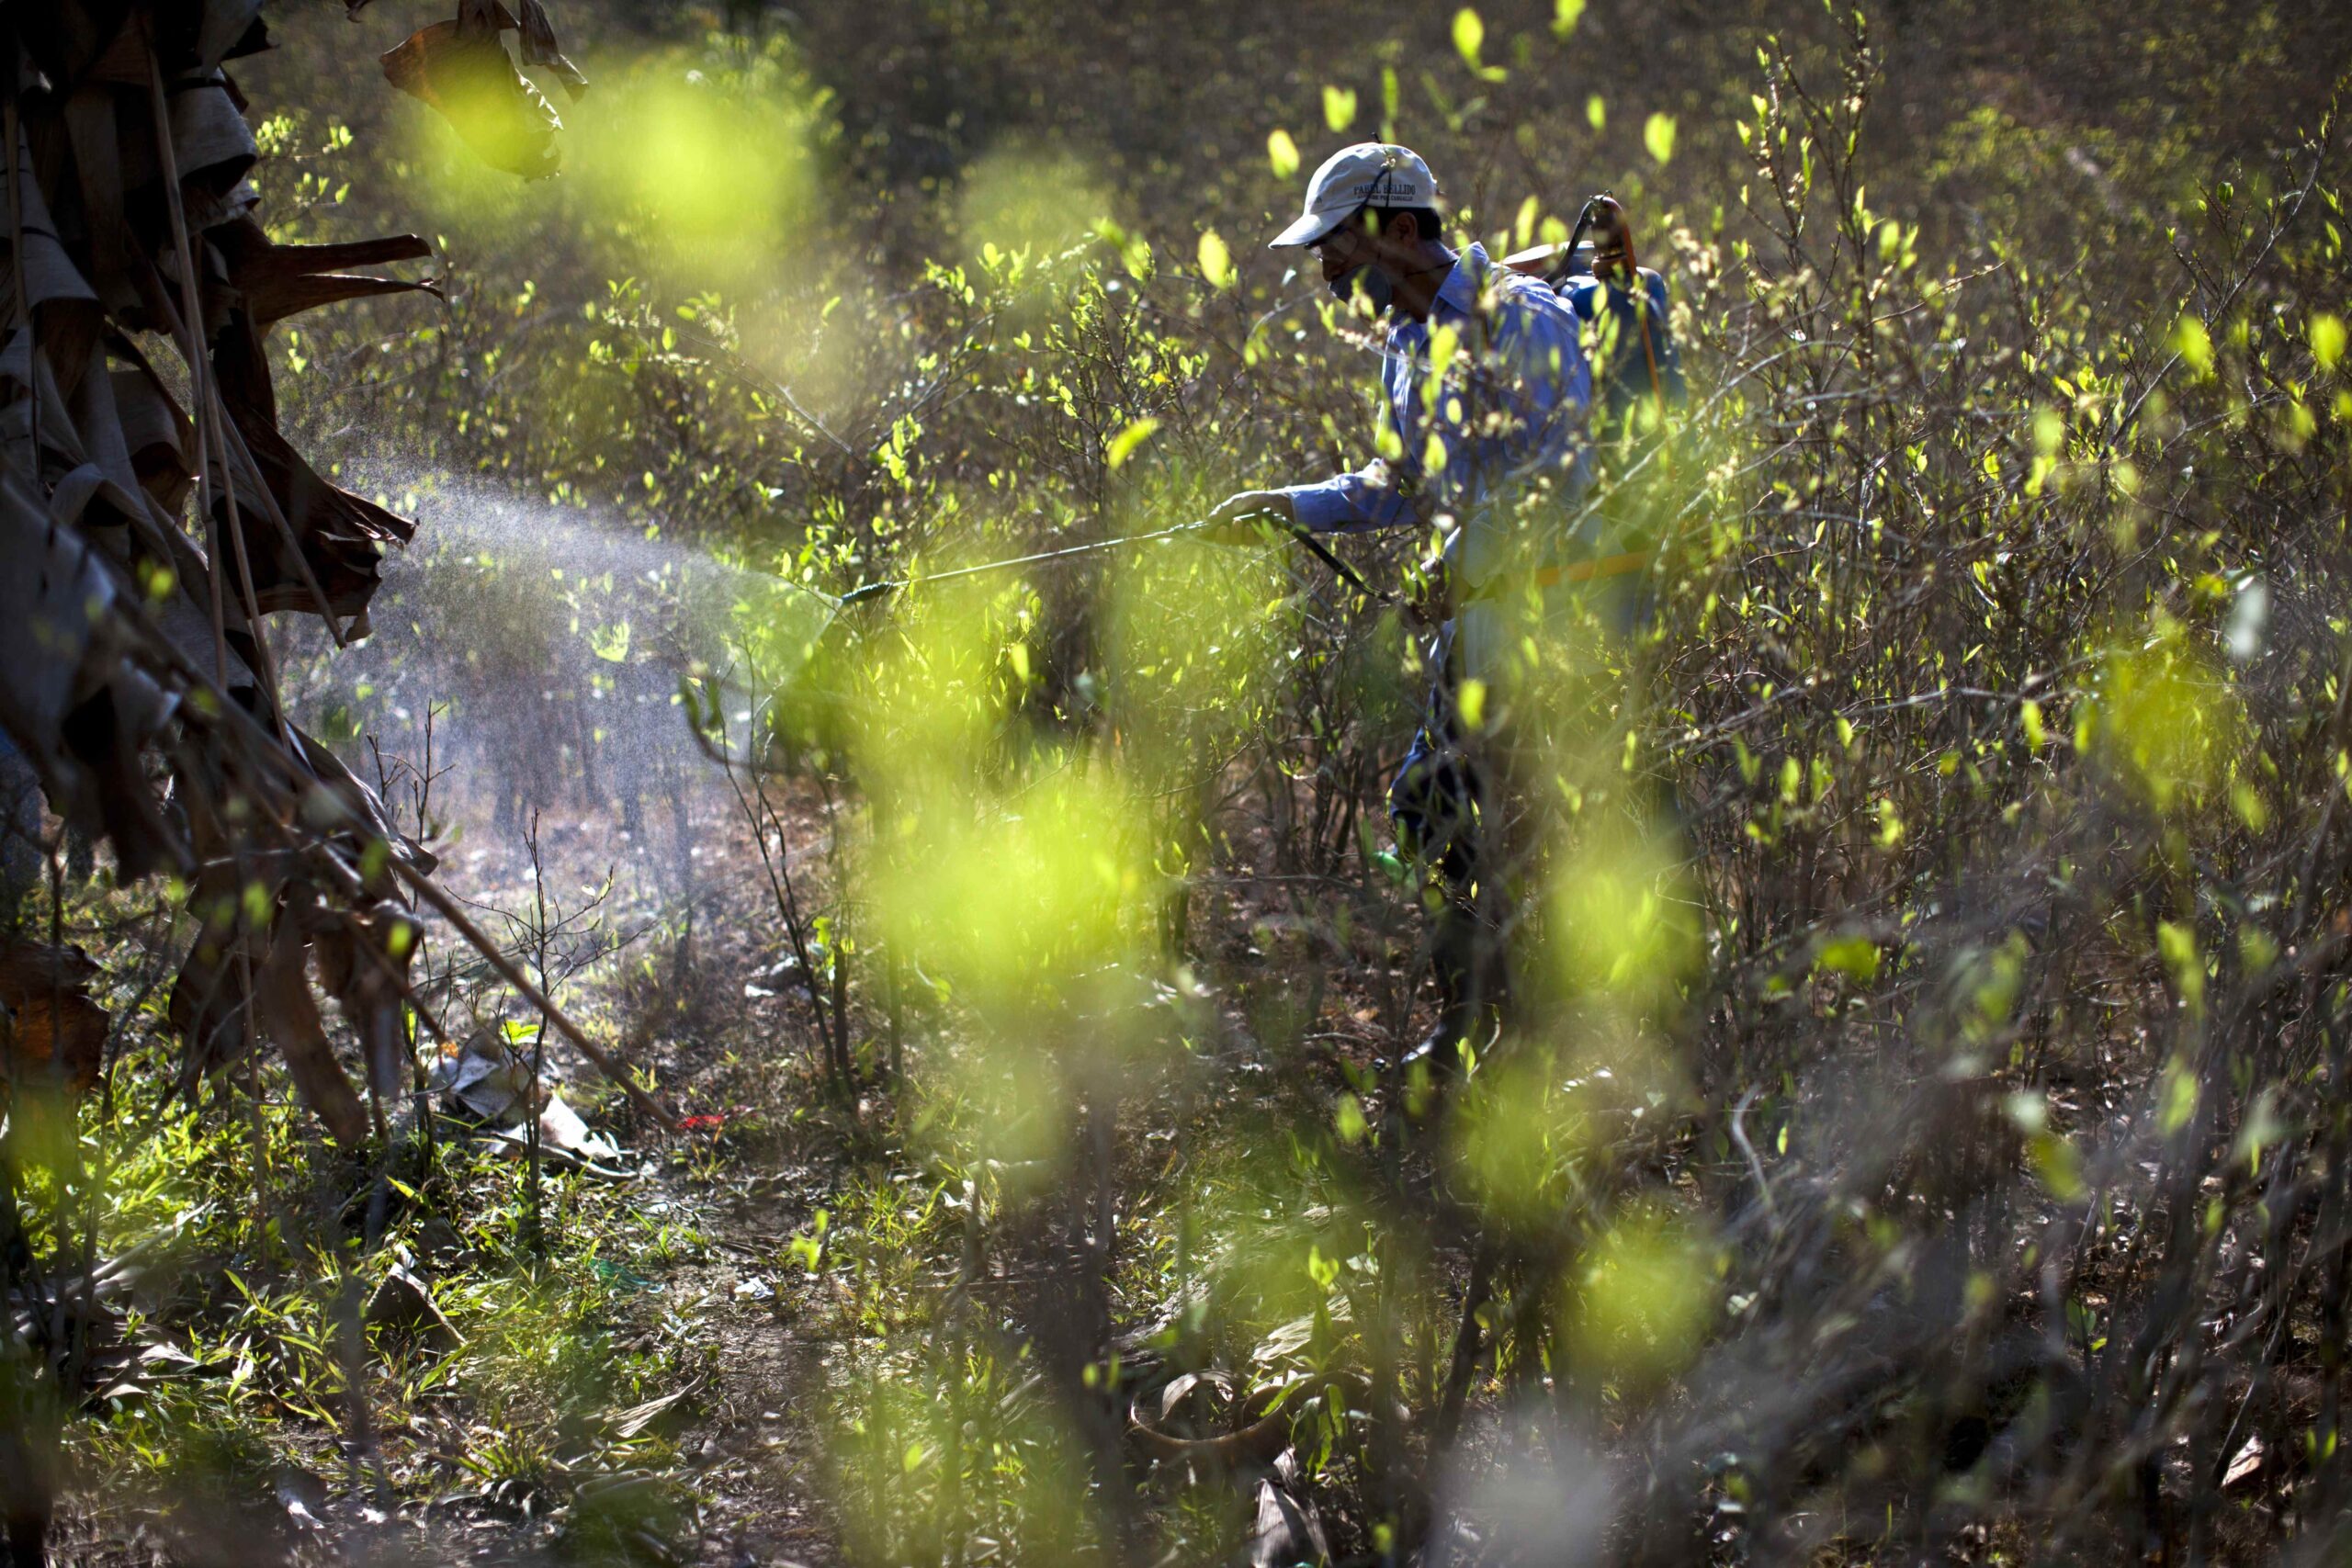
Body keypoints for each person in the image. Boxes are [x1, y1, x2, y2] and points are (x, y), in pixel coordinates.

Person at [1205, 141, 1604, 1078]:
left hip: (1545, 630)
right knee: (1434, 817)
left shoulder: (1525, 323)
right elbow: (1398, 482)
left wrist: (1465, 564)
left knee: (1519, 834)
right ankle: (1476, 1032)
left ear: (1393, 226)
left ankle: (1534, 1052)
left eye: (1335, 242)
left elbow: (1564, 489)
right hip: (1466, 642)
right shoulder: (1405, 342)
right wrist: (1288, 507)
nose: (1324, 266)